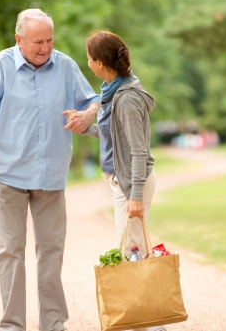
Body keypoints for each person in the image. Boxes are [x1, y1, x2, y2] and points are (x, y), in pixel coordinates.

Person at [0, 9, 99, 331]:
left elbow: (94, 99)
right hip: (7, 175)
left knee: (51, 252)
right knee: (10, 253)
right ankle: (13, 325)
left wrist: (89, 115)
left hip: (51, 176)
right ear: (19, 40)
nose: (45, 47)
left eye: (50, 40)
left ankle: (53, 323)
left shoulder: (65, 66)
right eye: (38, 41)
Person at [64, 30, 163, 331]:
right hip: (122, 183)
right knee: (134, 248)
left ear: (99, 63)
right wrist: (85, 128)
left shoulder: (128, 97)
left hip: (132, 184)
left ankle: (143, 320)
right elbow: (112, 137)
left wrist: (134, 195)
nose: (87, 61)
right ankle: (148, 316)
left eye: (89, 57)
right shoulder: (110, 90)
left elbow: (137, 151)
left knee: (129, 250)